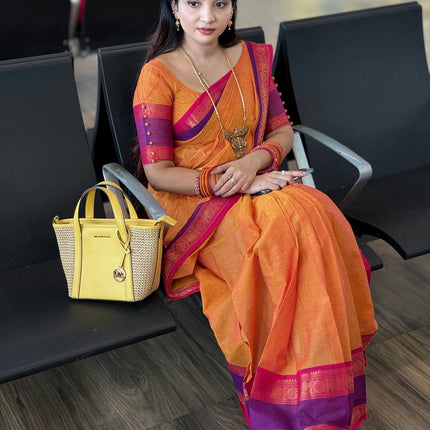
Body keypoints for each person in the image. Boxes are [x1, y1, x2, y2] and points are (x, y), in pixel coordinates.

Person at [133, 1, 378, 428]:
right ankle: (292, 401)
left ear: (233, 9)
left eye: (220, 4)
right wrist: (237, 183)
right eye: (193, 3)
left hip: (258, 179)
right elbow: (158, 173)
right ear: (174, 8)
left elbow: (282, 130)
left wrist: (252, 163)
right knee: (282, 236)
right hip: (194, 202)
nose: (207, 16)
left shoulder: (252, 59)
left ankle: (318, 398)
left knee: (311, 212)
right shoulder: (157, 74)